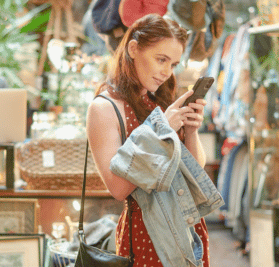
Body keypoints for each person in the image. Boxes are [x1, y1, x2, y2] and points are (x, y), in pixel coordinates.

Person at [86, 14, 220, 267]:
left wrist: (190, 131)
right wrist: (162, 130)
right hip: (148, 234)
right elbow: (118, 187)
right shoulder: (104, 108)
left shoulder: (159, 100)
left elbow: (193, 170)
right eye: (161, 59)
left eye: (173, 64)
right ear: (133, 49)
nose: (166, 72)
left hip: (187, 225)